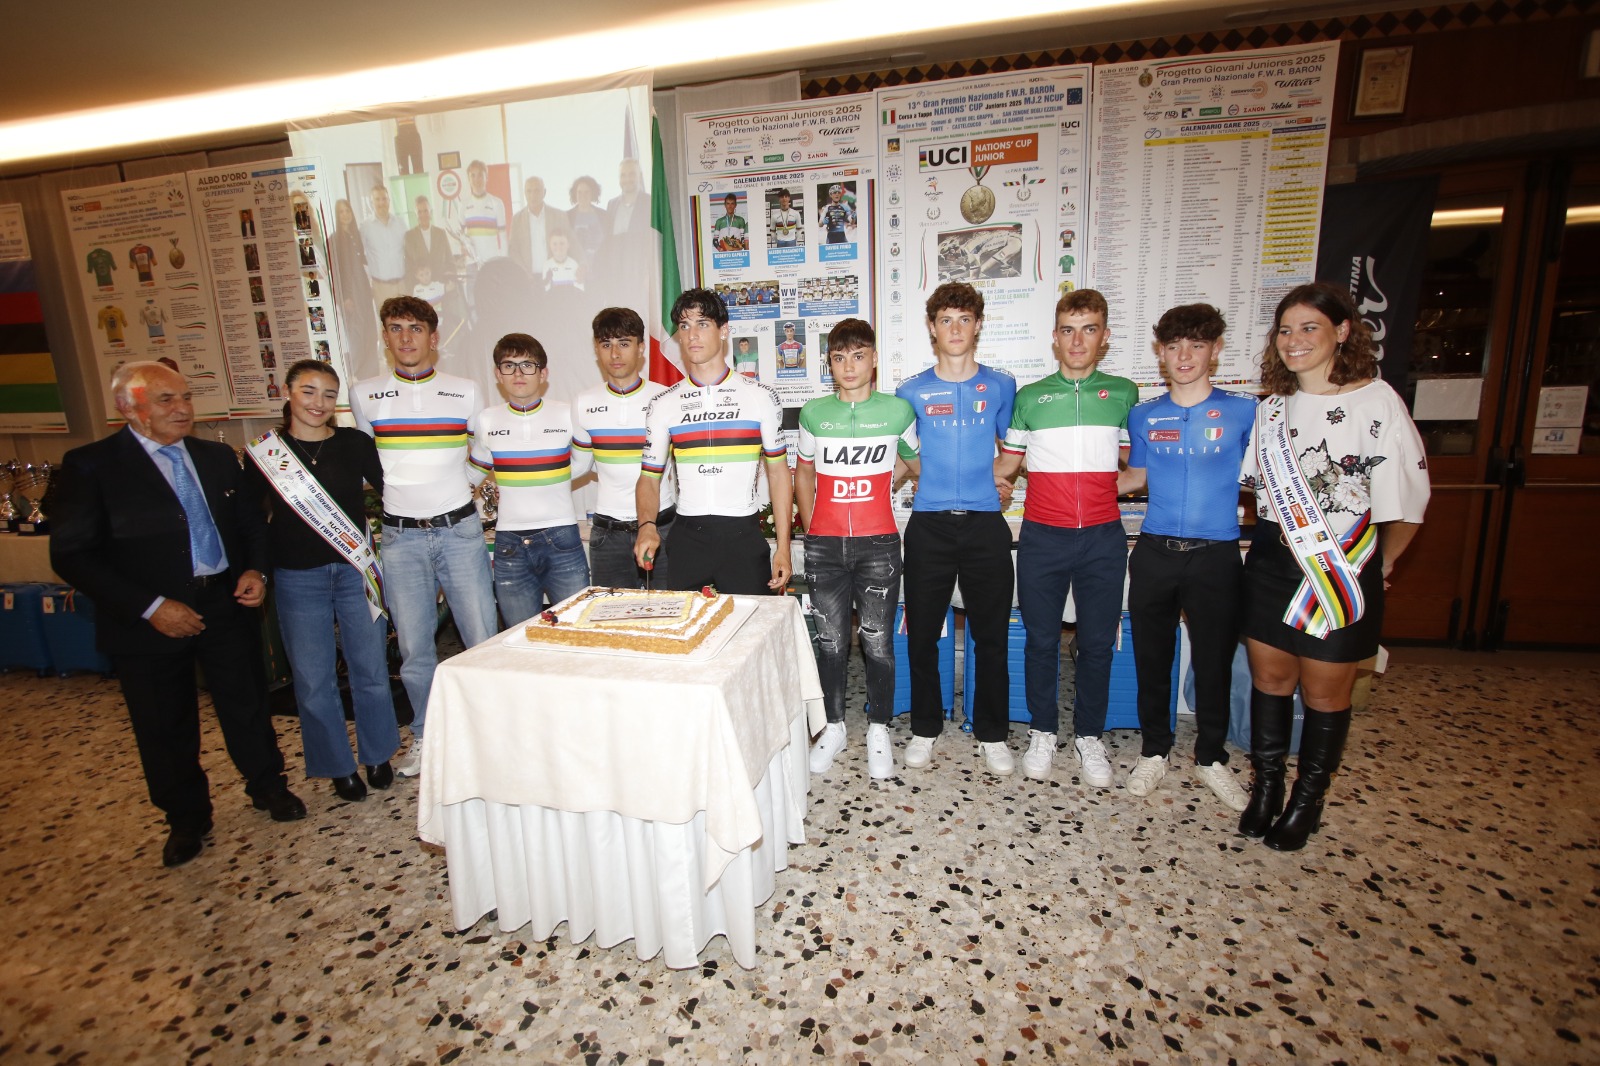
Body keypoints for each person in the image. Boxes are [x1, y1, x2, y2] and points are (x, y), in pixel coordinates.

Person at [50, 362, 305, 868]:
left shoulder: (216, 458)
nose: (183, 408)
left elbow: (252, 523)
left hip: (223, 602)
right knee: (163, 720)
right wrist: (151, 607)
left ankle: (267, 784)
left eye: (186, 397)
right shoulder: (92, 465)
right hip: (149, 617)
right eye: (166, 400)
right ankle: (186, 818)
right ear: (128, 407)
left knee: (246, 701)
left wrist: (255, 569)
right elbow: (72, 554)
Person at [1239, 282, 1429, 851]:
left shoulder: (1378, 403)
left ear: (1342, 331)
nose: (1294, 340)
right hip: (1273, 561)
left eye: (1309, 328)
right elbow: (1254, 491)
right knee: (1270, 680)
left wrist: (1382, 564)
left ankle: (1308, 800)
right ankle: (1267, 787)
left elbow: (1409, 502)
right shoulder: (1271, 409)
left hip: (1342, 564)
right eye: (1285, 329)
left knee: (1325, 692)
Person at [349, 295, 498, 777]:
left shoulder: (466, 391)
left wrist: (459, 489)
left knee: (481, 640)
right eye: (396, 328)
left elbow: (484, 451)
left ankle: (487, 739)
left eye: (415, 328)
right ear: (385, 336)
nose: (406, 338)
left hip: (459, 532)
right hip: (402, 539)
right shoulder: (364, 395)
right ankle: (426, 737)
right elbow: (370, 464)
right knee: (415, 650)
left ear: (434, 338)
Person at [996, 289, 1137, 783]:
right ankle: (1042, 731)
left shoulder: (1124, 394)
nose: (1078, 341)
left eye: (1089, 330)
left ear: (1104, 336)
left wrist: (1107, 488)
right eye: (1068, 331)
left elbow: (1140, 466)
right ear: (1054, 338)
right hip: (1043, 536)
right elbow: (1007, 466)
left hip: (1102, 537)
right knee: (1040, 640)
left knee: (1097, 642)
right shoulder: (1029, 398)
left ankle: (1089, 736)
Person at [1117, 303, 1255, 808]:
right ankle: (1154, 750)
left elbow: (1264, 478)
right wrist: (1065, 487)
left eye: (1197, 345)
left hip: (1216, 555)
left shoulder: (1246, 412)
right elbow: (1134, 477)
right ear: (1161, 352)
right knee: (1152, 658)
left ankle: (1212, 756)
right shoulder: (1145, 414)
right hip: (1154, 552)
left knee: (1214, 660)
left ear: (1215, 350)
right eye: (1174, 346)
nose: (1184, 356)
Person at [244, 360, 398, 804]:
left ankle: (378, 754)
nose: (319, 402)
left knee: (371, 669)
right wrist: (256, 568)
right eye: (308, 391)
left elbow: (392, 492)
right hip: (296, 577)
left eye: (329, 394)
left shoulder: (354, 443)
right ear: (288, 392)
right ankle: (338, 766)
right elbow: (250, 520)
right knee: (313, 680)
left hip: (354, 571)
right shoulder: (265, 452)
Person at [895, 282, 1015, 775]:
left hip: (986, 526)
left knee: (992, 636)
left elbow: (1013, 450)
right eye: (946, 320)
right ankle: (925, 728)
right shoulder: (911, 392)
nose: (956, 328)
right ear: (932, 327)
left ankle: (992, 733)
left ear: (978, 325)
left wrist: (1000, 480)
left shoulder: (1002, 386)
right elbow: (904, 459)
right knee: (922, 634)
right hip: (929, 526)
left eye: (965, 319)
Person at [796, 319, 919, 779]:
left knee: (877, 642)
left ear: (874, 359)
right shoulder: (813, 413)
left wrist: (886, 484)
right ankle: (833, 728)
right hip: (824, 545)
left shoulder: (898, 411)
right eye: (839, 357)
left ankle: (879, 729)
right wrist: (811, 527)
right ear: (830, 363)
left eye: (859, 355)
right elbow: (803, 472)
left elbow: (915, 464)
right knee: (830, 642)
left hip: (879, 544)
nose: (849, 366)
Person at [633, 288, 792, 595]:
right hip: (687, 538)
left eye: (702, 323)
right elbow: (649, 478)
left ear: (724, 330)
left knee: (752, 625)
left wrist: (783, 547)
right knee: (688, 626)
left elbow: (778, 474)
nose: (692, 334)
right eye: (684, 325)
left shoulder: (761, 397)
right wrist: (646, 526)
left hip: (742, 537)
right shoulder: (663, 403)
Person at [470, 334, 592, 623]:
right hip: (509, 543)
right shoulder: (486, 419)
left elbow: (583, 464)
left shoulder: (567, 414)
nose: (518, 373)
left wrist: (546, 478)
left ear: (543, 373)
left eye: (527, 365)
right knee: (518, 634)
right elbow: (473, 473)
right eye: (509, 366)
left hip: (561, 537)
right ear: (498, 374)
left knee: (577, 629)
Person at [572, 307, 677, 588]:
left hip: (662, 527)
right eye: (606, 344)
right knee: (611, 614)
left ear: (641, 348)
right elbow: (578, 466)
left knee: (670, 612)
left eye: (624, 343)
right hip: (608, 535)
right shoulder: (583, 402)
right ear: (597, 349)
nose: (615, 353)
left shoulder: (666, 398)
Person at [330, 199, 377, 366]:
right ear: (337, 215)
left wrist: (370, 285)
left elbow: (365, 263)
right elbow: (337, 273)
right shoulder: (334, 240)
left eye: (347, 210)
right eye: (341, 212)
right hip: (351, 294)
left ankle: (371, 370)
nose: (345, 215)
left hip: (363, 289)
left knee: (370, 329)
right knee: (356, 332)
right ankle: (356, 370)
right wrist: (345, 297)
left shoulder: (357, 235)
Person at [361, 184, 408, 304]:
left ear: (389, 201)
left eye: (384, 199)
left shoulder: (401, 223)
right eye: (377, 199)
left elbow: (408, 251)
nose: (381, 203)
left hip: (402, 285)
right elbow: (361, 257)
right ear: (371, 202)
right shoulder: (365, 227)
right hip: (380, 287)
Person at [458, 160, 508, 268]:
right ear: (469, 179)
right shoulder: (463, 205)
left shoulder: (497, 203)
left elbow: (503, 237)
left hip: (492, 262)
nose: (477, 179)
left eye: (480, 175)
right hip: (472, 263)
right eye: (473, 176)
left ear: (487, 177)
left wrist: (504, 262)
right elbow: (461, 234)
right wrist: (463, 245)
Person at [508, 176, 557, 278]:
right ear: (524, 193)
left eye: (537, 190)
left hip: (554, 275)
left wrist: (582, 263)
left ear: (544, 192)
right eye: (529, 191)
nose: (532, 195)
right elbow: (513, 250)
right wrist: (523, 272)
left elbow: (571, 244)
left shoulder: (558, 216)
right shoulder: (517, 219)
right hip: (528, 278)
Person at [404, 196, 454, 294]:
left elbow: (450, 260)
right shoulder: (409, 236)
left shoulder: (441, 233)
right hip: (421, 291)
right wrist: (412, 291)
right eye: (419, 212)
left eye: (425, 211)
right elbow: (408, 267)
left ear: (430, 212)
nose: (423, 215)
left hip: (442, 287)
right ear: (415, 214)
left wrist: (451, 277)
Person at [566, 175, 609, 266]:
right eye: (579, 192)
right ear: (575, 194)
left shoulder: (604, 216)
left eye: (587, 192)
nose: (583, 196)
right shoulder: (567, 216)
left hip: (600, 266)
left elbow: (608, 243)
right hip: (575, 267)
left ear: (593, 193)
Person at [606, 158, 649, 235]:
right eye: (623, 175)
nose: (627, 179)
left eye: (631, 174)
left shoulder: (650, 203)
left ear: (640, 176)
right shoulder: (611, 204)